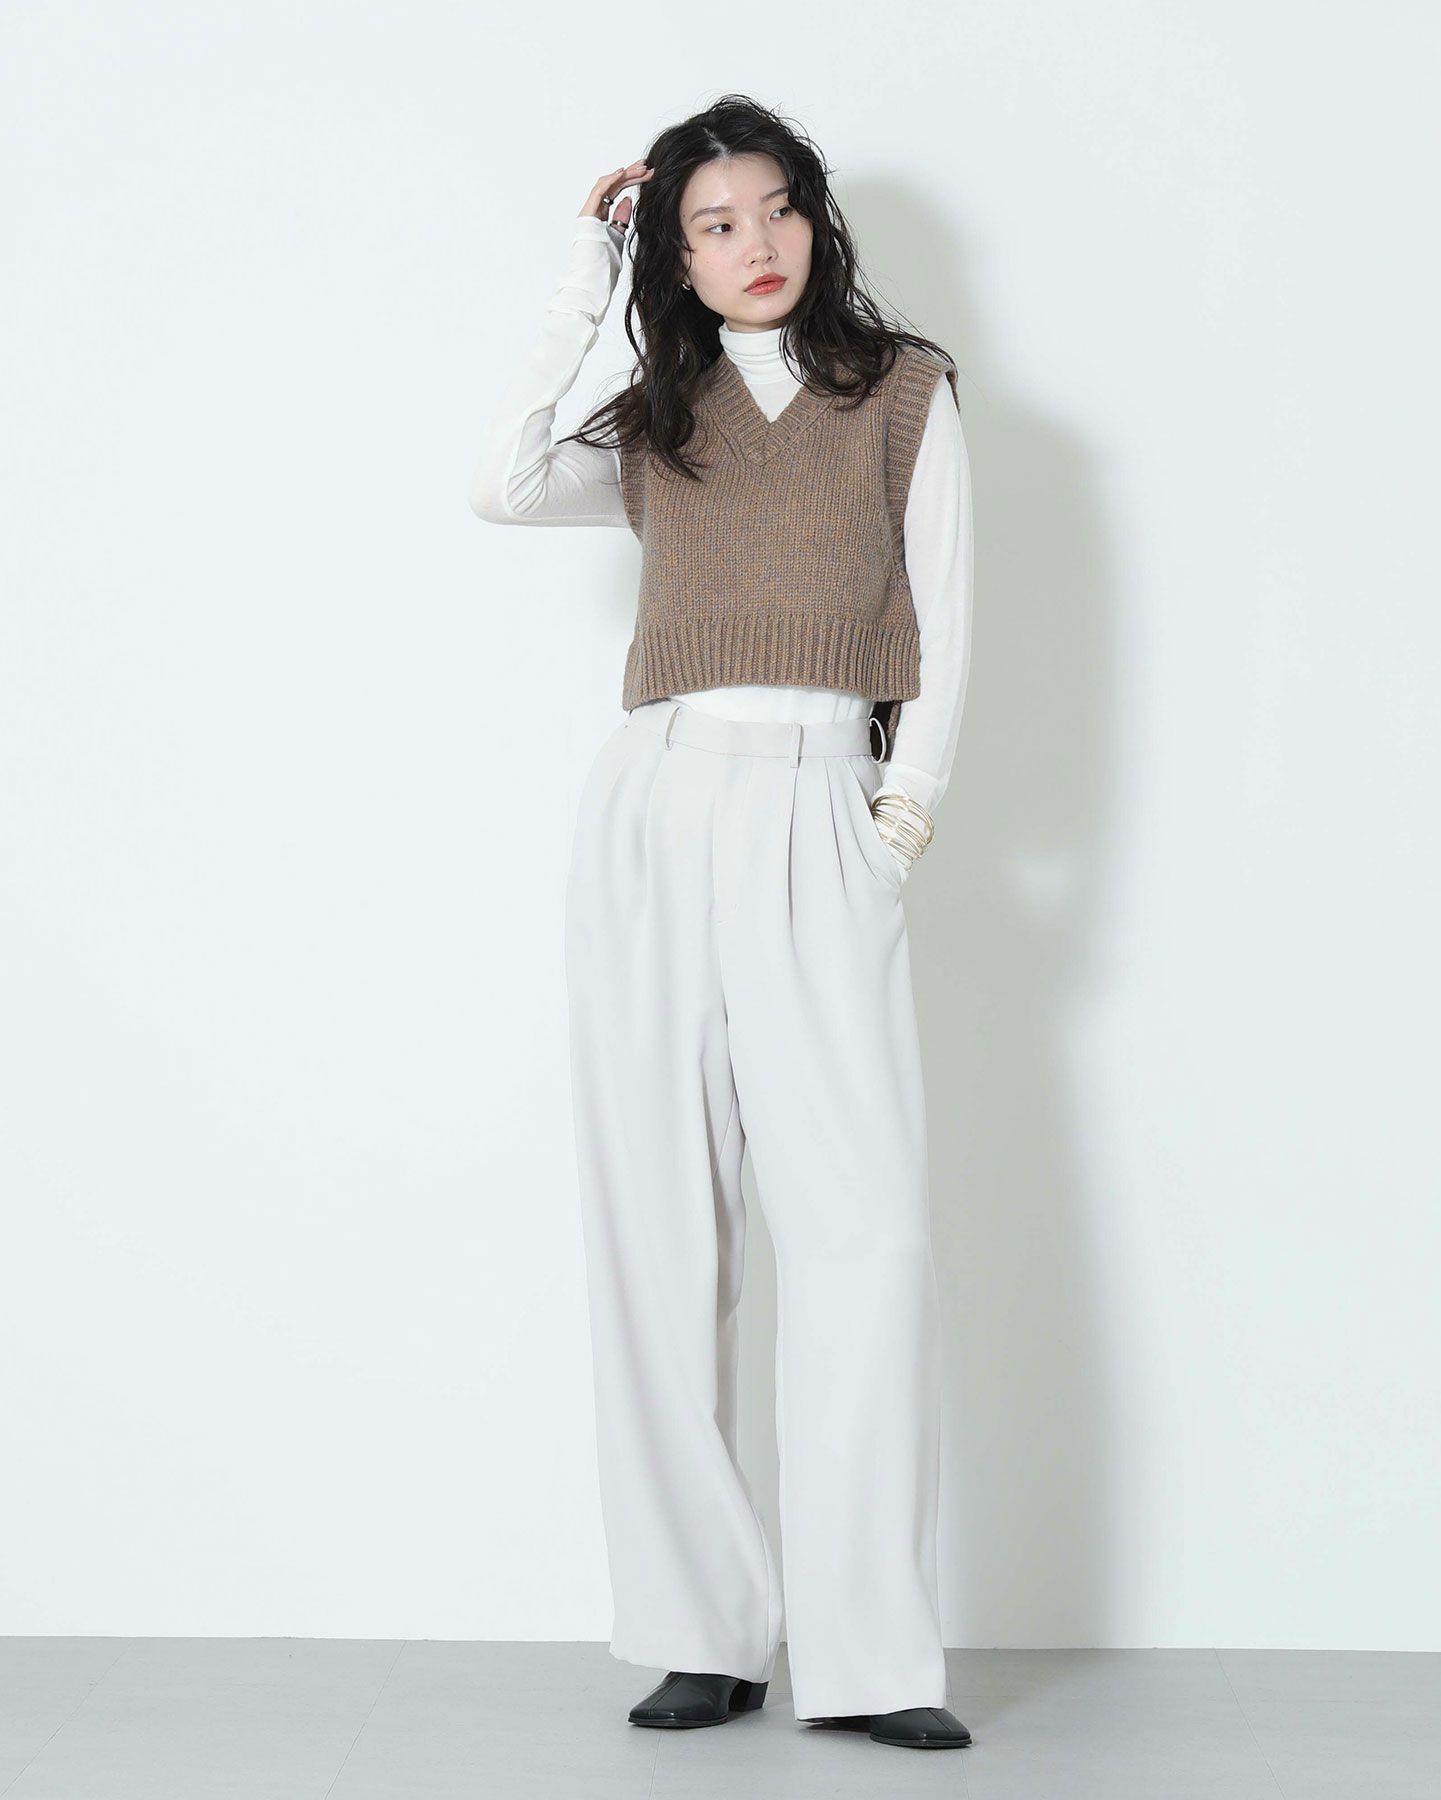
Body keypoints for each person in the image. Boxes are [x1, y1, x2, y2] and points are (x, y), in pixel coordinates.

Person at [468, 94, 975, 1751]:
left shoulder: (903, 391)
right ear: (674, 256)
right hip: (659, 807)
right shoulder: (658, 414)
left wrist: (897, 823)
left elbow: (949, 616)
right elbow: (499, 482)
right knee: (662, 1231)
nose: (756, 244)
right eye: (712, 224)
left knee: (867, 1237)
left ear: (816, 219)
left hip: (827, 807)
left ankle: (875, 1657)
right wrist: (584, 273)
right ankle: (705, 1631)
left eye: (777, 209)